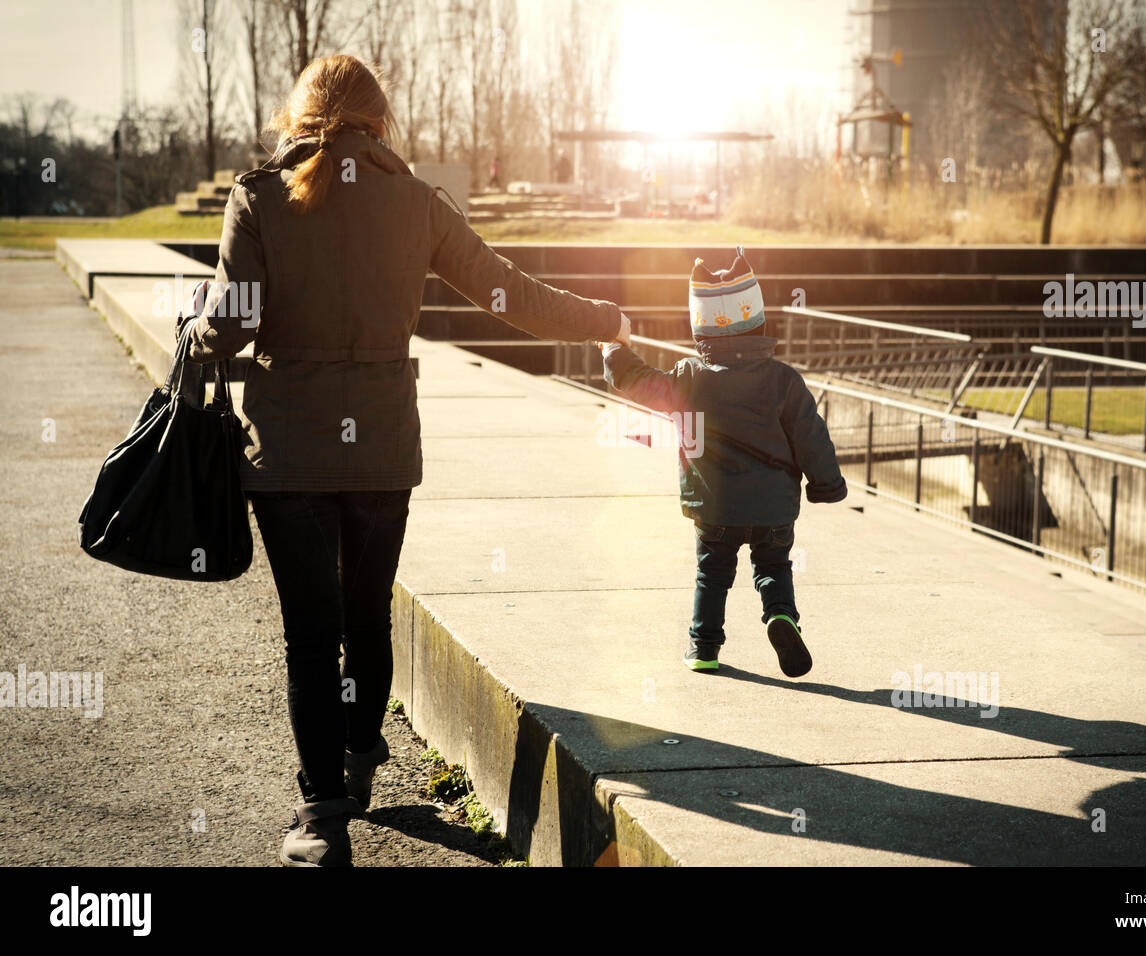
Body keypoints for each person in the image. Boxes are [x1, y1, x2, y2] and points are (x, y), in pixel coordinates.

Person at [176, 54, 631, 867]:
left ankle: (320, 817)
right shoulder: (418, 203)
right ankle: (357, 762)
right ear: (379, 121)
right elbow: (506, 291)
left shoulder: (261, 197)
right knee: (367, 613)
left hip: (289, 452)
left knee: (310, 637)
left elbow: (233, 322)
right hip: (383, 448)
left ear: (300, 117)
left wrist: (196, 331)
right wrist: (605, 320)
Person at [601, 247, 846, 678]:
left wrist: (616, 351)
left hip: (714, 507)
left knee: (711, 575)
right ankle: (780, 616)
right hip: (773, 507)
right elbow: (811, 436)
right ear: (757, 319)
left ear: (700, 327)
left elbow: (642, 384)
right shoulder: (783, 380)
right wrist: (826, 485)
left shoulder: (689, 378)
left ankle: (703, 648)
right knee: (773, 566)